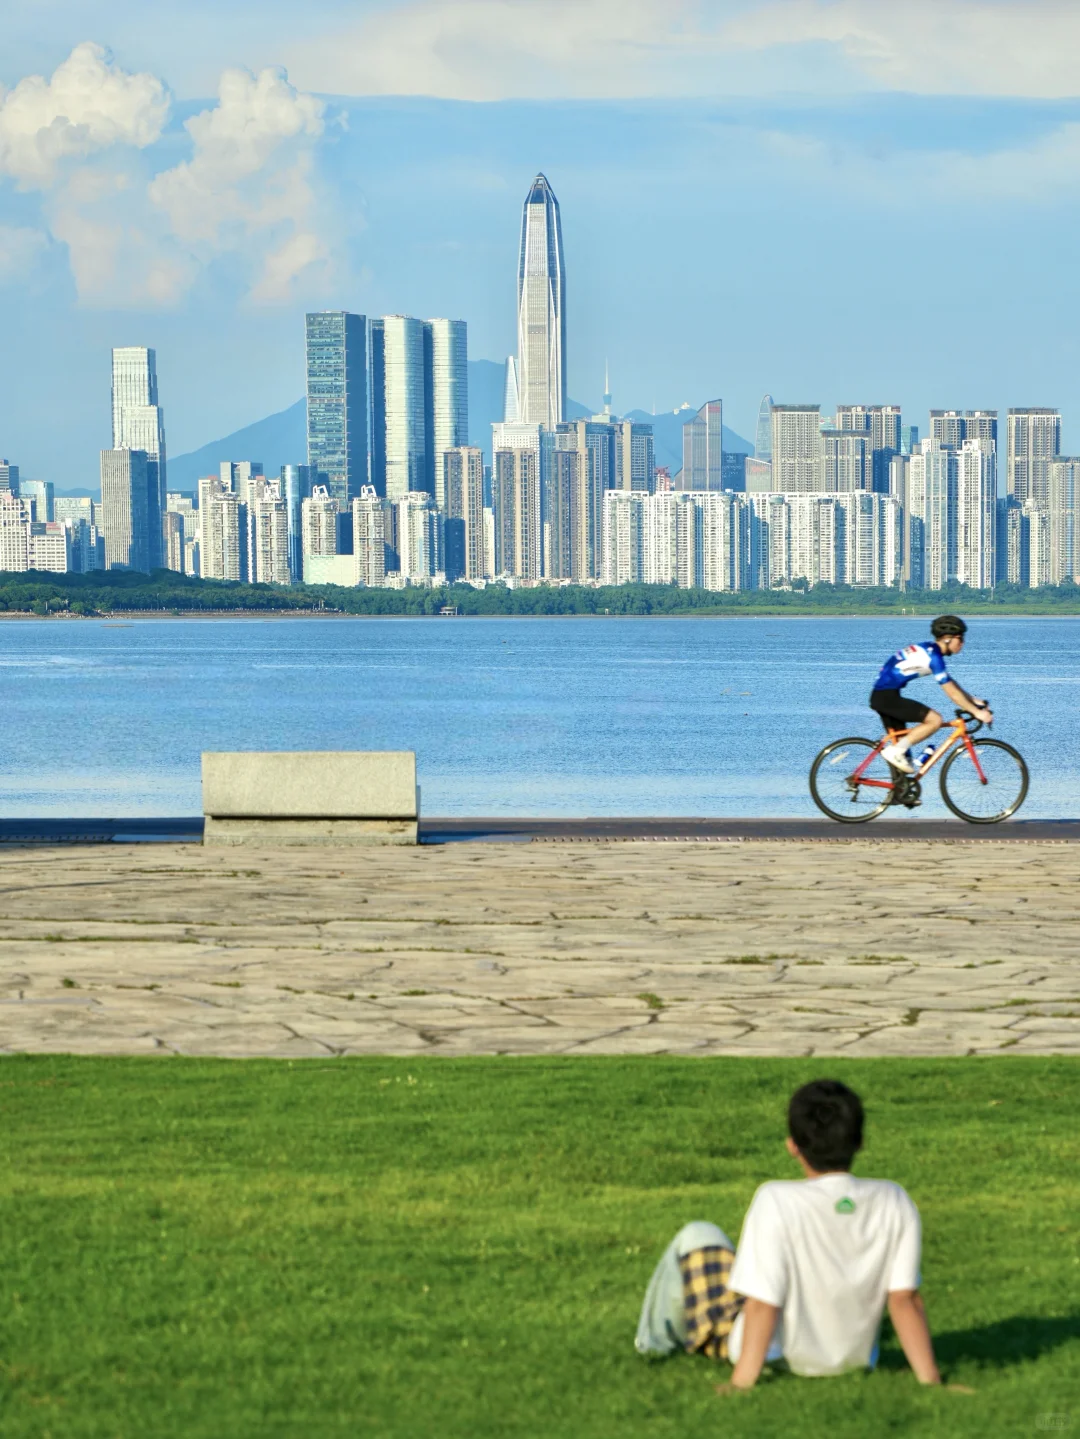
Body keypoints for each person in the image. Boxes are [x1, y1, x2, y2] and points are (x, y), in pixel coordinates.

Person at [635, 1079, 944, 1388]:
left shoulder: (776, 1199)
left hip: (772, 1355)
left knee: (697, 1235)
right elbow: (905, 1299)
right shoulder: (894, 1199)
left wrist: (741, 1381)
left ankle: (650, 1348)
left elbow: (762, 1303)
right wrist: (931, 1380)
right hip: (854, 1360)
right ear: (859, 1141)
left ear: (792, 1145)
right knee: (731, 1263)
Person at [870, 615, 992, 775]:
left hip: (884, 696)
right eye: (960, 639)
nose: (962, 643)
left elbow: (951, 683)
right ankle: (894, 752)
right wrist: (977, 712)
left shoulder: (930, 650)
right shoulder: (934, 657)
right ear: (948, 639)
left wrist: (973, 700)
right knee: (934, 720)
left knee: (903, 759)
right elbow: (952, 693)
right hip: (886, 698)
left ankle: (900, 794)